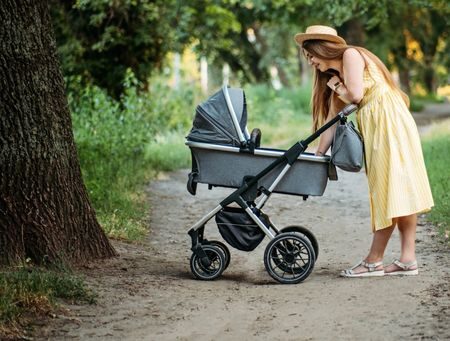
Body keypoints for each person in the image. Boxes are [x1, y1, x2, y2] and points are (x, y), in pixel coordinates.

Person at [294, 25, 434, 277]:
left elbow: (356, 95)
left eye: (310, 55)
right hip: (386, 125)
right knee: (398, 187)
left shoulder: (350, 56)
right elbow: (332, 119)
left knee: (389, 189)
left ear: (321, 48)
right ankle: (407, 259)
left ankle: (374, 261)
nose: (311, 62)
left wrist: (337, 86)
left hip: (388, 125)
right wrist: (318, 154)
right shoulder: (339, 77)